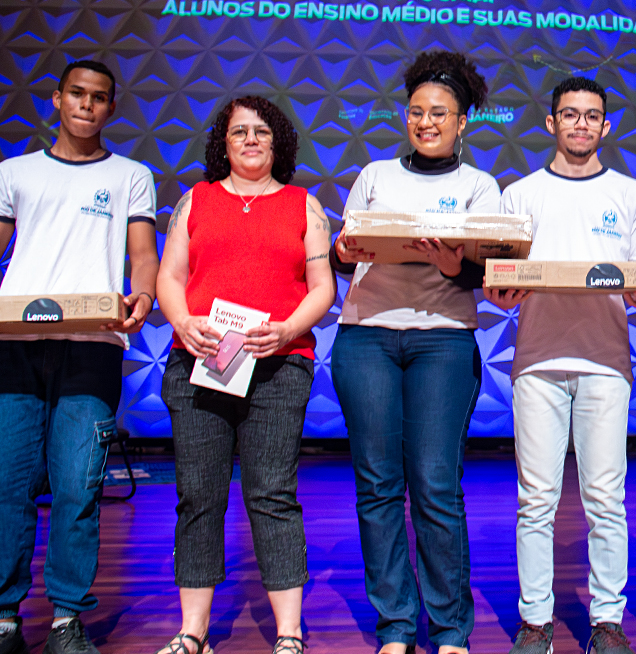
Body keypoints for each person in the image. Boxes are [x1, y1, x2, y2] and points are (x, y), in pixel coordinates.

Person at [154, 96, 335, 654]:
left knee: (272, 493)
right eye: (239, 132)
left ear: (278, 142)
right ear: (223, 143)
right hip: (201, 362)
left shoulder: (305, 205)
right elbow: (170, 276)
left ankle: (289, 634)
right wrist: (183, 323)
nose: (251, 140)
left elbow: (323, 287)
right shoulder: (196, 200)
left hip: (280, 365)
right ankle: (193, 632)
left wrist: (287, 330)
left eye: (261, 131)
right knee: (198, 495)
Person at [329, 51, 496, 654]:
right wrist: (342, 250)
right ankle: (396, 625)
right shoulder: (375, 175)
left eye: (440, 113)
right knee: (377, 484)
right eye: (417, 111)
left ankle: (450, 629)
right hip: (367, 335)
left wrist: (455, 265)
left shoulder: (479, 186)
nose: (427, 122)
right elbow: (343, 254)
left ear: (462, 121)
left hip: (443, 340)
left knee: (434, 484)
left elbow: (485, 271)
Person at [481, 76, 636, 654]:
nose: (582, 124)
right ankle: (536, 623)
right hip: (537, 360)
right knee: (536, 500)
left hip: (607, 362)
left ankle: (607, 621)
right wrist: (499, 292)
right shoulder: (519, 195)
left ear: (606, 126)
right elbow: (502, 283)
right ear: (551, 122)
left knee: (606, 499)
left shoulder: (632, 195)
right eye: (571, 114)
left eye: (592, 116)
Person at [0, 60, 158, 654]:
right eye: (76, 94)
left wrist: (143, 295)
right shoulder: (14, 172)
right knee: (8, 486)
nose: (86, 105)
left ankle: (66, 618)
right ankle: (5, 618)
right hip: (15, 346)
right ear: (56, 98)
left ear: (111, 107)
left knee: (77, 488)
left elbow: (143, 254)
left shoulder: (130, 175)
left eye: (98, 97)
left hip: (93, 346)